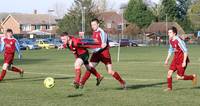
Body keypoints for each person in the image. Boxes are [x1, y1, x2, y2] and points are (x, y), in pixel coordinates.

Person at [89, 18, 126, 89]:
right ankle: (97, 77)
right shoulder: (94, 32)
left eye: (94, 24)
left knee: (110, 71)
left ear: (98, 24)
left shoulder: (102, 32)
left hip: (104, 53)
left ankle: (122, 82)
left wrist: (93, 50)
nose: (92, 26)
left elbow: (104, 45)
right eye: (91, 25)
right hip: (97, 53)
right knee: (89, 67)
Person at [164, 26, 197, 91]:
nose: (168, 34)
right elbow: (170, 50)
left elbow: (185, 51)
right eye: (168, 32)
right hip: (175, 59)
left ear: (174, 33)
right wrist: (167, 59)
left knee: (179, 77)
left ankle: (192, 77)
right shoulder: (171, 40)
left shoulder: (178, 40)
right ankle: (169, 88)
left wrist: (184, 61)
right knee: (169, 73)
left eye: (170, 32)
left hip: (182, 60)